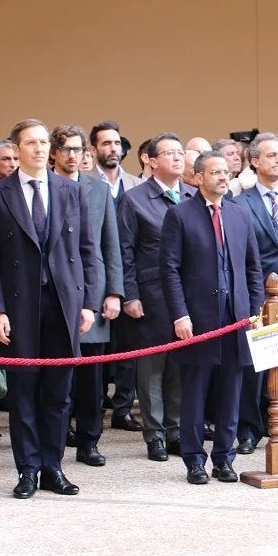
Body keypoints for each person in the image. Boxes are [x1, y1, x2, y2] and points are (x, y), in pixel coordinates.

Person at [0, 119, 98, 499]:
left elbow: (88, 251)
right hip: (18, 303)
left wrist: (90, 302)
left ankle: (52, 467)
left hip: (64, 302)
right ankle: (28, 469)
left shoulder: (69, 190)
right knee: (25, 388)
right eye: (31, 142)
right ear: (16, 148)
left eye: (45, 142)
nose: (40, 148)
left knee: (59, 391)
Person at [161, 150, 264, 484]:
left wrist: (256, 310)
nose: (223, 176)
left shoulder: (239, 215)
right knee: (195, 391)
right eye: (215, 171)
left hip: (236, 317)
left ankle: (224, 458)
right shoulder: (180, 215)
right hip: (198, 318)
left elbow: (253, 267)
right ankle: (194, 459)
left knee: (231, 391)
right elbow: (170, 270)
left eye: (226, 171)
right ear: (198, 176)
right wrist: (180, 314)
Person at [118, 133, 194, 462]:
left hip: (189, 293)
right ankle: (155, 435)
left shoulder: (193, 194)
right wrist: (129, 295)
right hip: (150, 293)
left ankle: (176, 430)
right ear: (150, 160)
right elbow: (124, 252)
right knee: (151, 369)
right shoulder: (134, 199)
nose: (178, 158)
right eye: (169, 153)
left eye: (181, 152)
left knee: (181, 365)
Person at [50, 125, 123, 467]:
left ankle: (89, 441)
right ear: (54, 152)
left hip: (92, 292)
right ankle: (57, 437)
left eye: (78, 150)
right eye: (65, 149)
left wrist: (113, 293)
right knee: (57, 373)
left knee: (92, 379)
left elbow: (111, 246)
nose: (72, 155)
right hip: (55, 294)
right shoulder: (44, 188)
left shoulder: (98, 190)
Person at [230, 133, 278, 452]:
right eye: (272, 155)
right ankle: (249, 429)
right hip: (256, 293)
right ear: (254, 162)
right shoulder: (240, 203)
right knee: (253, 366)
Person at [90, 121, 144, 432]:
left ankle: (122, 408)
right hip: (95, 276)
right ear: (93, 149)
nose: (113, 148)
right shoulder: (83, 184)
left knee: (128, 350)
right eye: (106, 143)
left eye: (116, 143)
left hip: (129, 276)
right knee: (95, 351)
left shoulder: (137, 185)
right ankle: (94, 407)